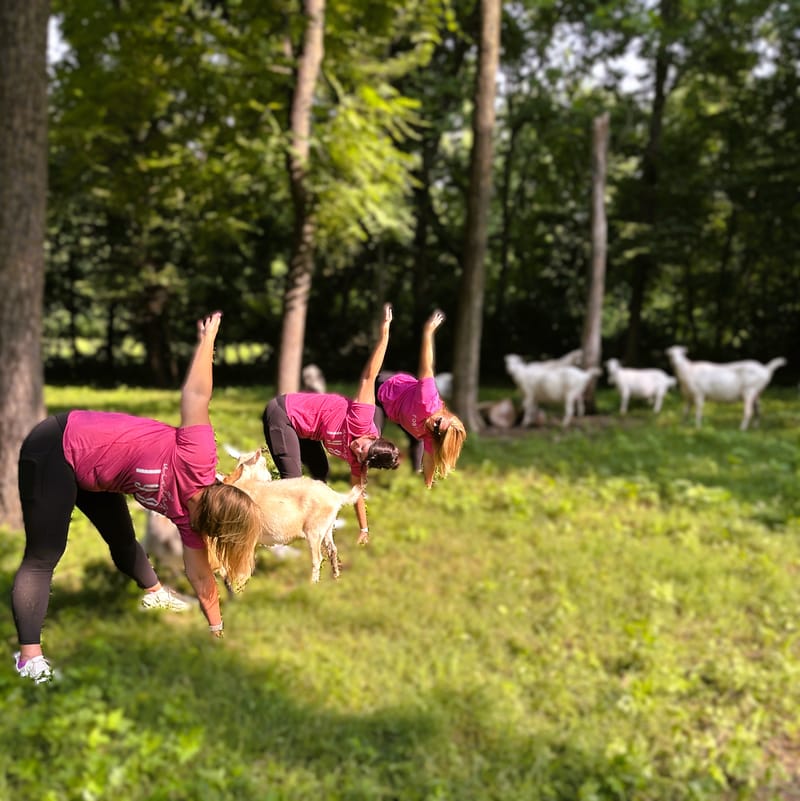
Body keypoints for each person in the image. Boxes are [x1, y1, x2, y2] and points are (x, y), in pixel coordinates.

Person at [11, 311, 263, 684]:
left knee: (122, 538)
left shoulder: (190, 518)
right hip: (57, 447)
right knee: (43, 556)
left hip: (98, 474)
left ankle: (154, 592)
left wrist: (216, 628)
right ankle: (28, 659)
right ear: (214, 520)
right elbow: (196, 395)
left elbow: (200, 574)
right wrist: (207, 341)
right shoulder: (197, 456)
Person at [262, 303, 400, 545]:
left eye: (360, 456)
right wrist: (385, 333)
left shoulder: (361, 461)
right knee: (292, 481)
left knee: (320, 475)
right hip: (284, 414)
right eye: (361, 447)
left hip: (306, 432)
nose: (356, 449)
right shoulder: (361, 418)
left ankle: (317, 524)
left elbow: (357, 493)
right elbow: (370, 375)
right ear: (371, 437)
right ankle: (277, 536)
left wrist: (365, 529)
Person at [373, 309, 466, 488]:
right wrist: (428, 332)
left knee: (418, 441)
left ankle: (417, 479)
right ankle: (361, 484)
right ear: (445, 415)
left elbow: (430, 460)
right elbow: (427, 366)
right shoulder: (427, 398)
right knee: (372, 437)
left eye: (438, 431)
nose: (434, 426)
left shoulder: (431, 435)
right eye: (439, 422)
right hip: (381, 391)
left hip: (401, 412)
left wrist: (428, 485)